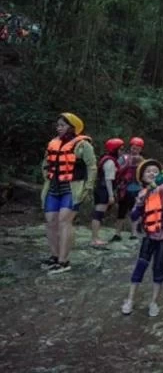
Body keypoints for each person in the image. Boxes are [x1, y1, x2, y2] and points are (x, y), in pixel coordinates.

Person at [121, 159, 163, 317]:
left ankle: (154, 302)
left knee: (158, 269)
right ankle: (130, 300)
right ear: (142, 177)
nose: (152, 173)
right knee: (140, 267)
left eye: (155, 171)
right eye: (148, 171)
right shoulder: (141, 193)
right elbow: (134, 216)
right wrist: (141, 202)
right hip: (149, 236)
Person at [41, 113, 96, 274]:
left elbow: (91, 166)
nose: (58, 128)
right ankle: (54, 256)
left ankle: (64, 261)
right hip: (53, 187)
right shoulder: (53, 143)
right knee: (50, 220)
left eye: (62, 125)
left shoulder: (83, 145)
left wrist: (88, 187)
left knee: (64, 221)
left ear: (71, 127)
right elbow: (46, 162)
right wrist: (46, 176)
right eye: (58, 125)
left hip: (73, 188)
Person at [91, 138, 124, 247]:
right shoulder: (110, 161)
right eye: (120, 149)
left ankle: (95, 237)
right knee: (98, 214)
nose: (121, 152)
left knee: (99, 213)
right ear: (115, 150)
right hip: (104, 190)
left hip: (101, 189)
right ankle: (94, 239)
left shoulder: (106, 159)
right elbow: (108, 179)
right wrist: (111, 195)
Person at [113, 137, 145, 241]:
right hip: (124, 188)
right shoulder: (124, 158)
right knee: (121, 210)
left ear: (140, 149)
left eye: (137, 148)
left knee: (134, 211)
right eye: (133, 147)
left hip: (137, 189)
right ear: (130, 147)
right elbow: (116, 170)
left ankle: (134, 233)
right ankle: (117, 233)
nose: (134, 150)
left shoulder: (143, 161)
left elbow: (145, 174)